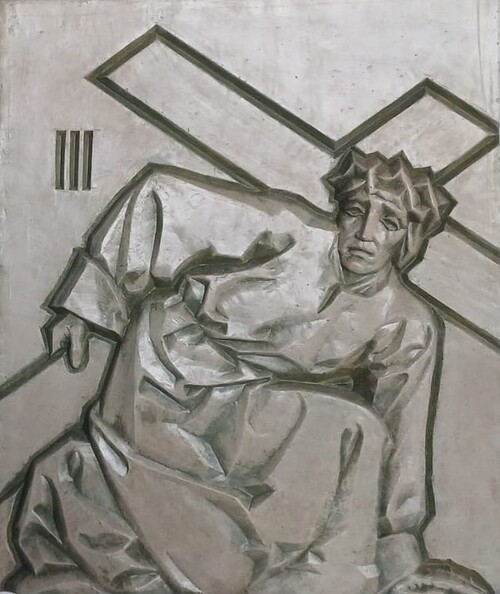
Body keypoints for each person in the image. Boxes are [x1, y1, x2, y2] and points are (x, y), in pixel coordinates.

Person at [6, 148, 474, 594]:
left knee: (360, 430)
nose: (364, 234)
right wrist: (85, 303)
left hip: (256, 403)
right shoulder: (290, 232)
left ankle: (322, 579)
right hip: (171, 371)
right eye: (355, 212)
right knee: (351, 428)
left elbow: (403, 430)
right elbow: (162, 196)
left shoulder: (407, 320)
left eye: (388, 223)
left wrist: (398, 543)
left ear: (408, 240)